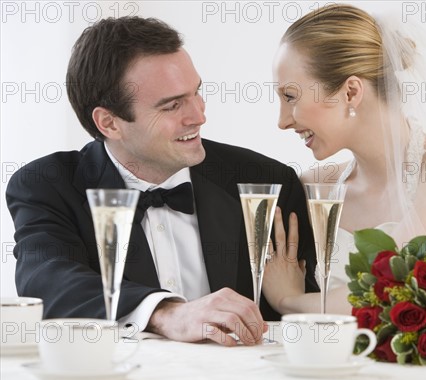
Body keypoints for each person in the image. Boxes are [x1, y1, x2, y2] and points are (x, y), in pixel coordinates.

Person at [6, 16, 318, 346]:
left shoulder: (266, 182)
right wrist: (165, 313)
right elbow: (47, 282)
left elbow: (300, 323)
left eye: (196, 93)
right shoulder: (49, 185)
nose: (199, 116)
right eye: (172, 106)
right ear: (110, 123)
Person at [262, 4, 426, 315]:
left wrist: (288, 301)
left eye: (290, 97)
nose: (282, 121)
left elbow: (392, 291)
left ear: (350, 92)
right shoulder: (314, 188)